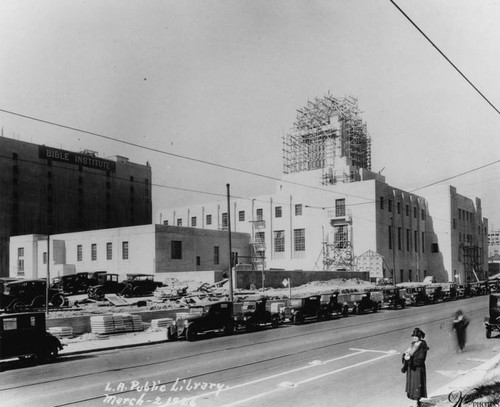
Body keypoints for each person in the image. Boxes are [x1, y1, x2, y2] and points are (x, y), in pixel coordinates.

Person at [402, 327, 429, 407]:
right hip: (412, 367)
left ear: (419, 337)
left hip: (417, 367)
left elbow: (421, 358)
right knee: (412, 384)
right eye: (413, 336)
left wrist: (410, 360)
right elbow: (409, 352)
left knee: (417, 384)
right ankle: (416, 401)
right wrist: (405, 355)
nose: (414, 338)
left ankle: (417, 401)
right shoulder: (413, 344)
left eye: (416, 336)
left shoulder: (422, 345)